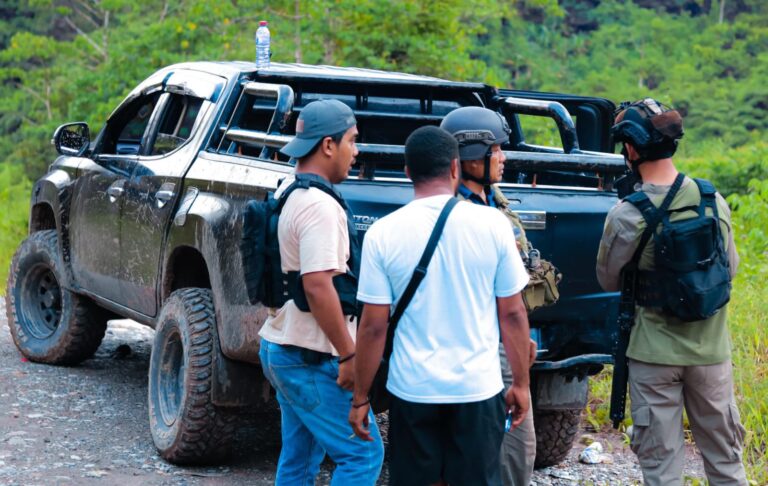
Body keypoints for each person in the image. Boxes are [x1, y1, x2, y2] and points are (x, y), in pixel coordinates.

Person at [349, 125, 532, 486]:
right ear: (454, 167)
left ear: (407, 172)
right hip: (478, 388)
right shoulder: (494, 225)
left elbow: (372, 327)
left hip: (412, 390)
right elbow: (512, 313)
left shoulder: (383, 233)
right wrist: (521, 384)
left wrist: (360, 398)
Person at [596, 98, 747, 486]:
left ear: (631, 149)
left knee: (661, 471)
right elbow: (729, 269)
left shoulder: (627, 213)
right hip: (711, 353)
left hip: (653, 356)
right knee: (727, 465)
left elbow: (608, 280)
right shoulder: (713, 201)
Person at [258, 99, 384, 485]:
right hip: (311, 354)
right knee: (362, 455)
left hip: (282, 345)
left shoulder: (289, 190)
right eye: (352, 140)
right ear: (329, 145)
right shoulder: (320, 206)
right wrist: (349, 354)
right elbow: (316, 284)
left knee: (300, 458)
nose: (356, 151)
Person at [440, 106, 550, 486]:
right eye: (496, 150)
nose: (503, 158)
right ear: (470, 157)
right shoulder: (455, 213)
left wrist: (522, 341)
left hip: (504, 340)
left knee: (516, 453)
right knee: (510, 450)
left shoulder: (492, 199)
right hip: (480, 341)